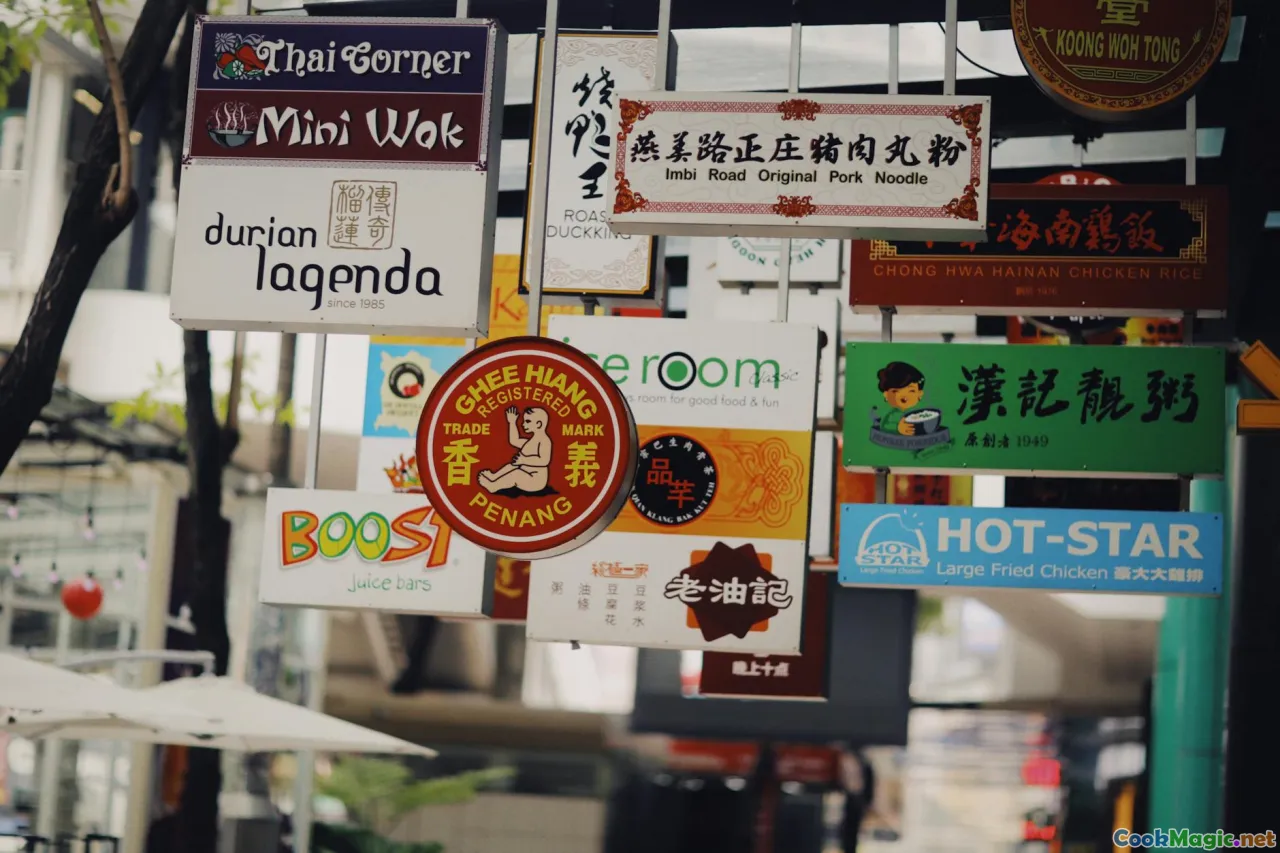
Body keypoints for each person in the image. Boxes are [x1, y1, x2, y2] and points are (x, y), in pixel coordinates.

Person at [479, 407, 552, 494]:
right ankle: (494, 477)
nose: (523, 424)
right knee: (512, 465)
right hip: (526, 474)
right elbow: (514, 441)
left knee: (516, 473)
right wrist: (512, 422)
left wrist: (523, 460)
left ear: (539, 424)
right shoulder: (530, 442)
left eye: (528, 421)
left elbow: (544, 460)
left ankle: (493, 486)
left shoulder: (544, 440)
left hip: (535, 481)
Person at [875, 362, 927, 436]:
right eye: (895, 391)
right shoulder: (893, 414)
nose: (904, 396)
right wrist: (897, 428)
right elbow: (884, 426)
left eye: (911, 391)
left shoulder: (916, 413)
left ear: (919, 394)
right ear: (886, 394)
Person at [838, 750, 875, 853]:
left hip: (856, 798)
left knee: (850, 828)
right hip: (855, 798)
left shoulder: (860, 764)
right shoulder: (863, 764)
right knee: (850, 829)